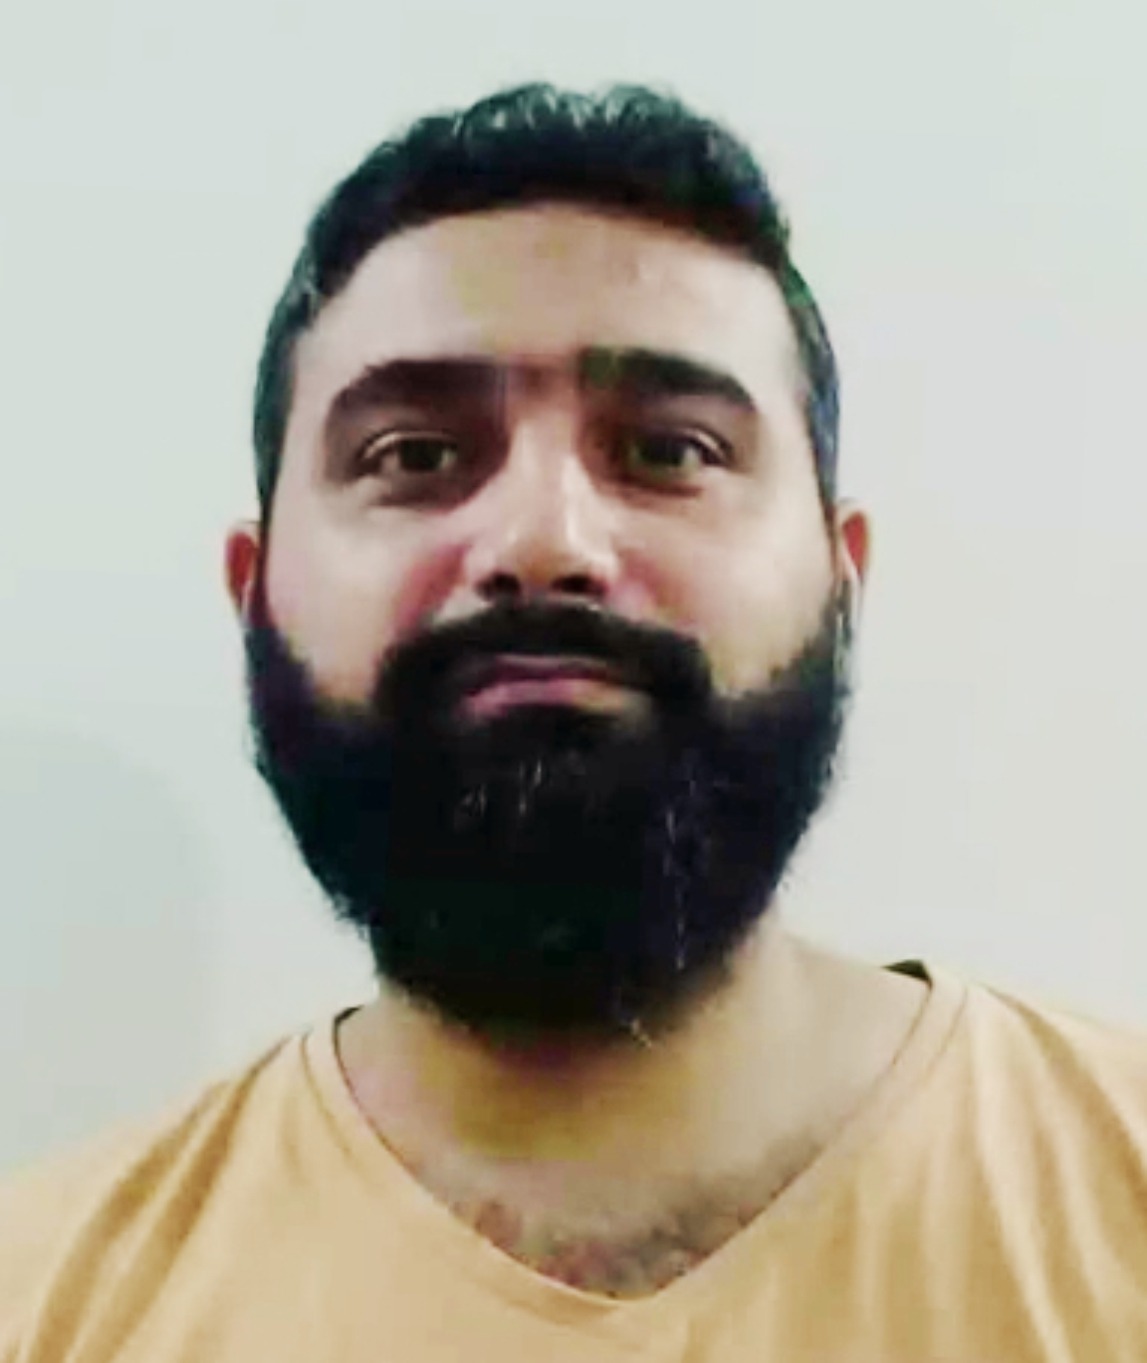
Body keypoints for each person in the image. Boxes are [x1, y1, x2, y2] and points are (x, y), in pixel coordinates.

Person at [2, 82, 1145, 1362]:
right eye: (414, 454)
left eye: (670, 449)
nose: (543, 540)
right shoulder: (39, 1301)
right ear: (253, 591)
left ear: (842, 582)